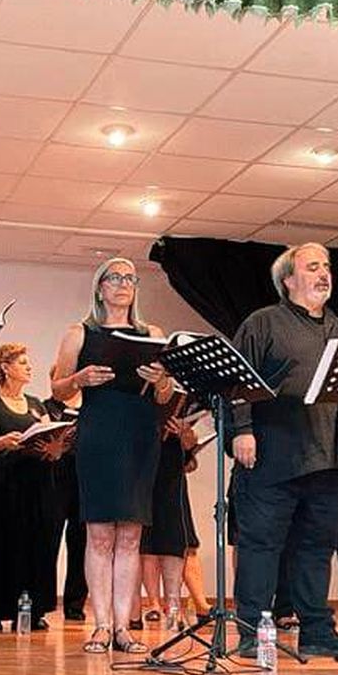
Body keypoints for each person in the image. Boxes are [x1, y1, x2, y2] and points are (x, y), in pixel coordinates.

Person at [230, 242, 338, 660]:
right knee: (261, 545)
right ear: (288, 279)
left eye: (327, 266)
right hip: (273, 453)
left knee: (316, 546)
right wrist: (242, 429)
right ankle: (252, 629)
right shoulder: (263, 323)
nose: (324, 273)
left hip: (329, 458)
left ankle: (316, 628)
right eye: (313, 267)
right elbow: (236, 379)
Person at [51, 257, 174, 654]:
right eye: (114, 277)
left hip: (140, 435)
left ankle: (124, 628)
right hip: (99, 433)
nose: (123, 284)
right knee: (100, 533)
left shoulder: (152, 333)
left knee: (132, 534)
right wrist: (79, 379)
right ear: (99, 287)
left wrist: (162, 381)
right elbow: (58, 391)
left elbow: (166, 397)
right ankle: (101, 625)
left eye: (129, 278)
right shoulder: (79, 332)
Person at [0, 343, 65, 630]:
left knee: (36, 544)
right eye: (22, 362)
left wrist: (56, 448)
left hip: (36, 485)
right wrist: (0, 442)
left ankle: (33, 611)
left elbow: (49, 435)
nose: (29, 367)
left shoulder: (37, 405)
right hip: (1, 485)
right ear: (5, 368)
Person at [142, 392, 202, 629]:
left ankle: (173, 606)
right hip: (142, 471)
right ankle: (153, 604)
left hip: (170, 474)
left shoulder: (183, 398)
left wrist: (186, 437)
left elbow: (188, 455)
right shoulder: (142, 393)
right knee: (145, 542)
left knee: (174, 539)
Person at [42, 386, 89, 621]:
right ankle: (42, 602)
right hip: (54, 478)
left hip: (83, 480)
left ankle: (75, 604)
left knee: (81, 543)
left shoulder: (89, 409)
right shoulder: (46, 408)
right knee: (48, 541)